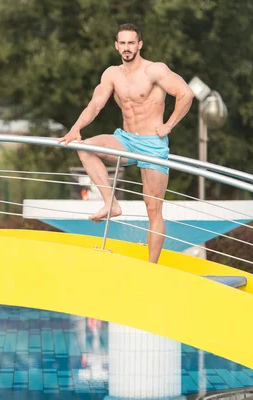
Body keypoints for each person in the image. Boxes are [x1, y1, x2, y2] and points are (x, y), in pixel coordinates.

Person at [58, 23, 194, 263]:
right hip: (126, 139)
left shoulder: (155, 70)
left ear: (139, 45)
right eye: (122, 43)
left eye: (131, 43)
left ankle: (151, 268)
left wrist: (168, 126)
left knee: (153, 209)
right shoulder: (112, 74)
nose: (127, 48)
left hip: (153, 143)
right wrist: (75, 129)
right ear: (116, 46)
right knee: (86, 148)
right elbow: (95, 104)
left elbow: (186, 94)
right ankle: (111, 204)